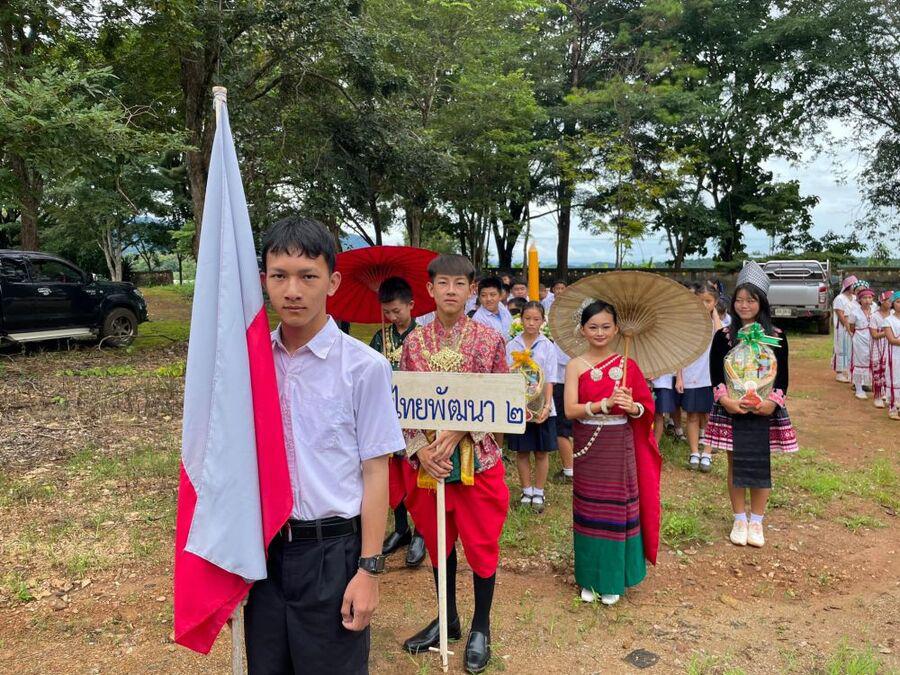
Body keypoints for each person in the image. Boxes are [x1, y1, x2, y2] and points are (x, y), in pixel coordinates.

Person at [248, 215, 405, 674]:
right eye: (279, 276)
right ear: (264, 280)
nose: (292, 290)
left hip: (332, 555)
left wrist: (369, 570)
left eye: (308, 277)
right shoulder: (252, 363)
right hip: (265, 554)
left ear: (332, 282)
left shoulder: (364, 368)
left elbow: (376, 471)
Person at [399, 254, 509, 674]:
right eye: (442, 283)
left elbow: (502, 401)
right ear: (429, 289)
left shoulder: (490, 339)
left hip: (477, 461)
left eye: (459, 283)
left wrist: (464, 427)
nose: (450, 290)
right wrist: (419, 450)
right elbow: (403, 406)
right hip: (430, 465)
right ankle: (447, 619)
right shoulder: (414, 343)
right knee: (437, 541)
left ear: (471, 289)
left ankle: (481, 626)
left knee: (481, 545)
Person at [563, 300, 661, 607]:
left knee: (616, 510)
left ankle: (613, 578)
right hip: (588, 447)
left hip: (619, 445)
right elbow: (569, 410)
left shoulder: (628, 365)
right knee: (589, 510)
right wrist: (602, 404)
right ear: (582, 330)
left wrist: (633, 407)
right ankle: (589, 577)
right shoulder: (575, 365)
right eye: (593, 327)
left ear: (617, 329)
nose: (600, 332)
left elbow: (646, 408)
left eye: (606, 326)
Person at [702, 262, 798, 549]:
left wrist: (772, 403)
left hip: (765, 411)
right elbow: (716, 374)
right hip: (732, 409)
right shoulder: (724, 337)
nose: (744, 305)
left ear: (762, 302)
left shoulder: (776, 337)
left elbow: (783, 377)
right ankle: (739, 519)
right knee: (735, 462)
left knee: (760, 461)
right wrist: (726, 400)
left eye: (751, 300)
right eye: (739, 300)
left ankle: (757, 521)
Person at [369, 277, 427, 568]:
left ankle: (421, 532)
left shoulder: (424, 338)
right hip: (388, 414)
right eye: (387, 312)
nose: (392, 317)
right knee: (392, 475)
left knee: (415, 473)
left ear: (411, 305)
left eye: (396, 311)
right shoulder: (380, 337)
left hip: (417, 418)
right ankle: (401, 528)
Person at [506, 301, 557, 512]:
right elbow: (507, 374)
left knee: (541, 452)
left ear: (543, 321)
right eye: (527, 318)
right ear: (521, 319)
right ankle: (526, 490)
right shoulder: (512, 345)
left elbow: (551, 378)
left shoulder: (547, 346)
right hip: (520, 406)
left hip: (542, 406)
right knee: (522, 451)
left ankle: (539, 491)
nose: (531, 323)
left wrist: (546, 406)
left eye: (536, 319)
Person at [681, 282, 721, 472]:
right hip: (690, 375)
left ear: (715, 302)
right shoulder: (688, 325)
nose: (704, 305)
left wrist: (714, 314)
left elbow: (721, 336)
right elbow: (680, 353)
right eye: (700, 301)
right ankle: (694, 451)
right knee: (692, 415)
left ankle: (707, 452)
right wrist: (679, 377)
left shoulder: (716, 324)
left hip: (710, 377)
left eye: (708, 301)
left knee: (710, 415)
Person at [552, 340, 574, 483]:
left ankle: (569, 470)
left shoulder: (566, 336)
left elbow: (561, 358)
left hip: (563, 381)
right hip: (573, 379)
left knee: (560, 428)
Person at [848, 284, 875, 400]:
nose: (867, 300)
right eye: (864, 298)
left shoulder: (875, 311)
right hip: (860, 339)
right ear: (859, 299)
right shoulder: (855, 312)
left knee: (872, 361)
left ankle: (868, 384)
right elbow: (852, 327)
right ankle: (858, 389)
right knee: (859, 362)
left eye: (869, 298)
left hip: (873, 338)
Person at [869, 291, 893, 409]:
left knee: (888, 370)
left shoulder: (894, 314)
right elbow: (874, 335)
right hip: (878, 346)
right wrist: (888, 332)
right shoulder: (874, 316)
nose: (890, 303)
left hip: (891, 346)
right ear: (882, 301)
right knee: (877, 370)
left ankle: (887, 395)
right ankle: (877, 396)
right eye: (888, 300)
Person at [832, 275, 858, 383]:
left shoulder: (855, 298)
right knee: (841, 348)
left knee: (850, 349)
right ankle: (839, 373)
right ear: (848, 286)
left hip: (853, 328)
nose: (856, 287)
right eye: (854, 285)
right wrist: (848, 328)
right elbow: (841, 315)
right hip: (842, 329)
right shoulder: (839, 298)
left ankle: (848, 371)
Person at [651, 373, 681, 446]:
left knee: (658, 415)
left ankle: (655, 445)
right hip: (643, 382)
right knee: (643, 414)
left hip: (662, 383)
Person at [885, 291, 900, 421]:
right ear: (893, 304)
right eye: (898, 302)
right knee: (895, 378)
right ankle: (893, 408)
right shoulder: (888, 320)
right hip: (895, 353)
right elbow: (891, 340)